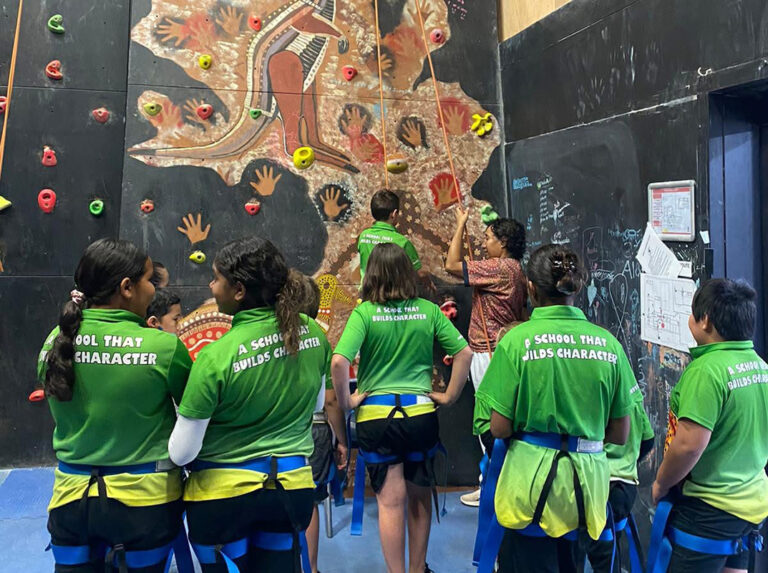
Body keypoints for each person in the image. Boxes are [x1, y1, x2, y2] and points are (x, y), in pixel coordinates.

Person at [168, 237, 331, 572]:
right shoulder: (313, 333)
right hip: (291, 492)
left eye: (216, 279)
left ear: (239, 290)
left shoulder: (216, 356)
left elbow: (181, 453)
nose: (211, 286)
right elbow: (315, 403)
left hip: (223, 503)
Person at [474, 244, 633, 573]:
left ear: (531, 288)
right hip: (586, 491)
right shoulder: (609, 343)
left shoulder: (517, 342)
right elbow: (621, 433)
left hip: (528, 490)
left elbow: (499, 427)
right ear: (578, 286)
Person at [37, 238, 192, 572]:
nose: (153, 290)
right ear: (126, 287)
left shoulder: (55, 341)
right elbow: (195, 415)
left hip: (71, 503)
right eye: (149, 281)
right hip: (146, 506)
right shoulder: (164, 348)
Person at [332, 243, 473, 573]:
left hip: (376, 419)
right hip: (420, 415)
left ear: (372, 275)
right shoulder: (427, 309)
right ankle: (417, 569)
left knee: (390, 503)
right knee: (420, 499)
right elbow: (464, 354)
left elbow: (339, 362)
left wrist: (348, 402)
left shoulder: (364, 313)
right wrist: (450, 397)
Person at [651, 279, 768, 573]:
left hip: (708, 509)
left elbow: (689, 446)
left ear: (705, 321)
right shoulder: (760, 367)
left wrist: (660, 483)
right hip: (750, 506)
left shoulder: (706, 371)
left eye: (693, 313)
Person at [444, 205, 528, 507]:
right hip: (500, 350)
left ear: (503, 243)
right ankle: (491, 481)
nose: (485, 243)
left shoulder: (501, 268)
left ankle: (495, 486)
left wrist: (461, 224)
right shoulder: (515, 269)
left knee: (488, 422)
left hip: (488, 351)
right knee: (497, 420)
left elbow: (452, 264)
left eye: (489, 237)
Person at [293, 271, 347, 573]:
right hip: (313, 430)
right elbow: (330, 400)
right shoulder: (318, 338)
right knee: (309, 501)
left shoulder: (264, 335)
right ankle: (310, 569)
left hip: (278, 429)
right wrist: (342, 439)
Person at [586, 387, 654, 572]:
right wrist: (626, 463)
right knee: (609, 560)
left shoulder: (588, 388)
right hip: (623, 487)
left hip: (592, 486)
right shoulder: (631, 390)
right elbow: (648, 440)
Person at [358, 190, 430, 287]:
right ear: (394, 213)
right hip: (392, 297)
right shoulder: (402, 242)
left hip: (367, 293)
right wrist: (429, 282)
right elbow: (419, 273)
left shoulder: (363, 236)